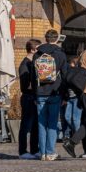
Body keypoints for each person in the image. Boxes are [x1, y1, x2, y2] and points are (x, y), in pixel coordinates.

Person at [33, 29, 68, 161]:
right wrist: (65, 95)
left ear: (45, 38)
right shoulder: (60, 54)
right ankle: (51, 152)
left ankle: (42, 153)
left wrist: (35, 93)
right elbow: (65, 76)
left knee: (41, 123)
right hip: (55, 92)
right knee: (52, 123)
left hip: (40, 93)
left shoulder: (37, 54)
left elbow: (33, 76)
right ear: (57, 38)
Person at [17, 39, 41, 159]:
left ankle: (34, 149)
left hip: (34, 97)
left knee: (35, 125)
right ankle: (22, 151)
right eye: (39, 49)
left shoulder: (33, 63)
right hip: (28, 97)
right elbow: (25, 85)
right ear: (33, 50)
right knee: (26, 125)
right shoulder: (25, 64)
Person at [62, 56, 83, 140]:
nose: (69, 66)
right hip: (69, 98)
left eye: (71, 64)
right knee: (67, 117)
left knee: (75, 119)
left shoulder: (79, 73)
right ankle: (78, 132)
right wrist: (65, 98)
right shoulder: (68, 72)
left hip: (77, 98)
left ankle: (77, 137)